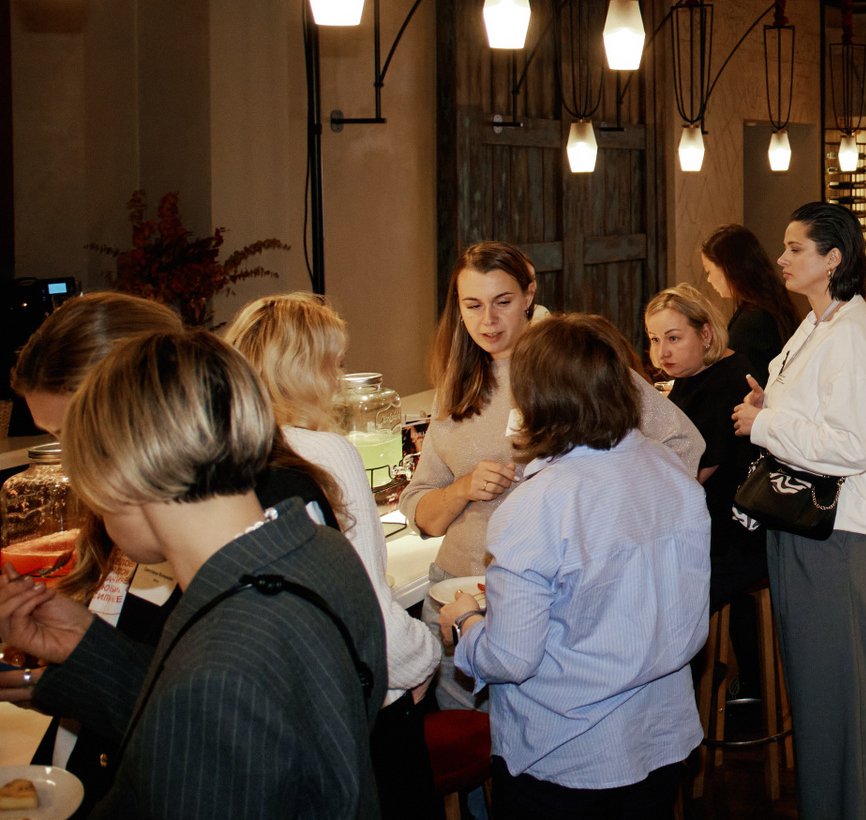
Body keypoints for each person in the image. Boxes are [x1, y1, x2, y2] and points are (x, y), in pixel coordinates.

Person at [0, 330, 385, 818]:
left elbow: (210, 702)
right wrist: (87, 645)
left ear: (119, 473)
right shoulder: (320, 550)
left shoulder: (217, 674)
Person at [402, 242, 702, 707]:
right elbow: (420, 509)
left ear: (529, 295)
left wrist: (607, 533)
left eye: (502, 302)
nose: (488, 321)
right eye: (473, 306)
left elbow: (681, 444)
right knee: (464, 741)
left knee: (538, 736)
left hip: (554, 602)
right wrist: (461, 489)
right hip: (456, 592)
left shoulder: (572, 366)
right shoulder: (457, 383)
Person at [440, 313, 708, 817]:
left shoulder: (539, 504)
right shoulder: (670, 472)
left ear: (536, 400)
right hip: (661, 734)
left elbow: (511, 657)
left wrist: (466, 624)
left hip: (568, 753)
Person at [226, 292, 443, 820]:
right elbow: (366, 607)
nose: (339, 381)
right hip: (359, 707)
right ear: (303, 369)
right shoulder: (324, 453)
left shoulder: (224, 451)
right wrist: (426, 654)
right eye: (335, 364)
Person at [731, 202, 866, 820]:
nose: (781, 258)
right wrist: (770, 405)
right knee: (817, 697)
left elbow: (852, 447)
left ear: (833, 259)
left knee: (846, 702)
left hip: (840, 537)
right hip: (807, 527)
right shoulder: (819, 322)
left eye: (795, 248)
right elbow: (818, 416)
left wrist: (764, 423)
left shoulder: (851, 333)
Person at [647, 285, 766, 608]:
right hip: (700, 527)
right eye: (654, 340)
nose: (662, 352)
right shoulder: (692, 371)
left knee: (640, 590)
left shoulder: (727, 381)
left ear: (705, 334)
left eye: (673, 338)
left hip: (729, 542)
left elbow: (689, 476)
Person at [701, 224, 800, 384]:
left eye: (709, 271)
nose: (709, 279)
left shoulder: (753, 320)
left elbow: (743, 382)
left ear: (726, 267)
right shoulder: (769, 304)